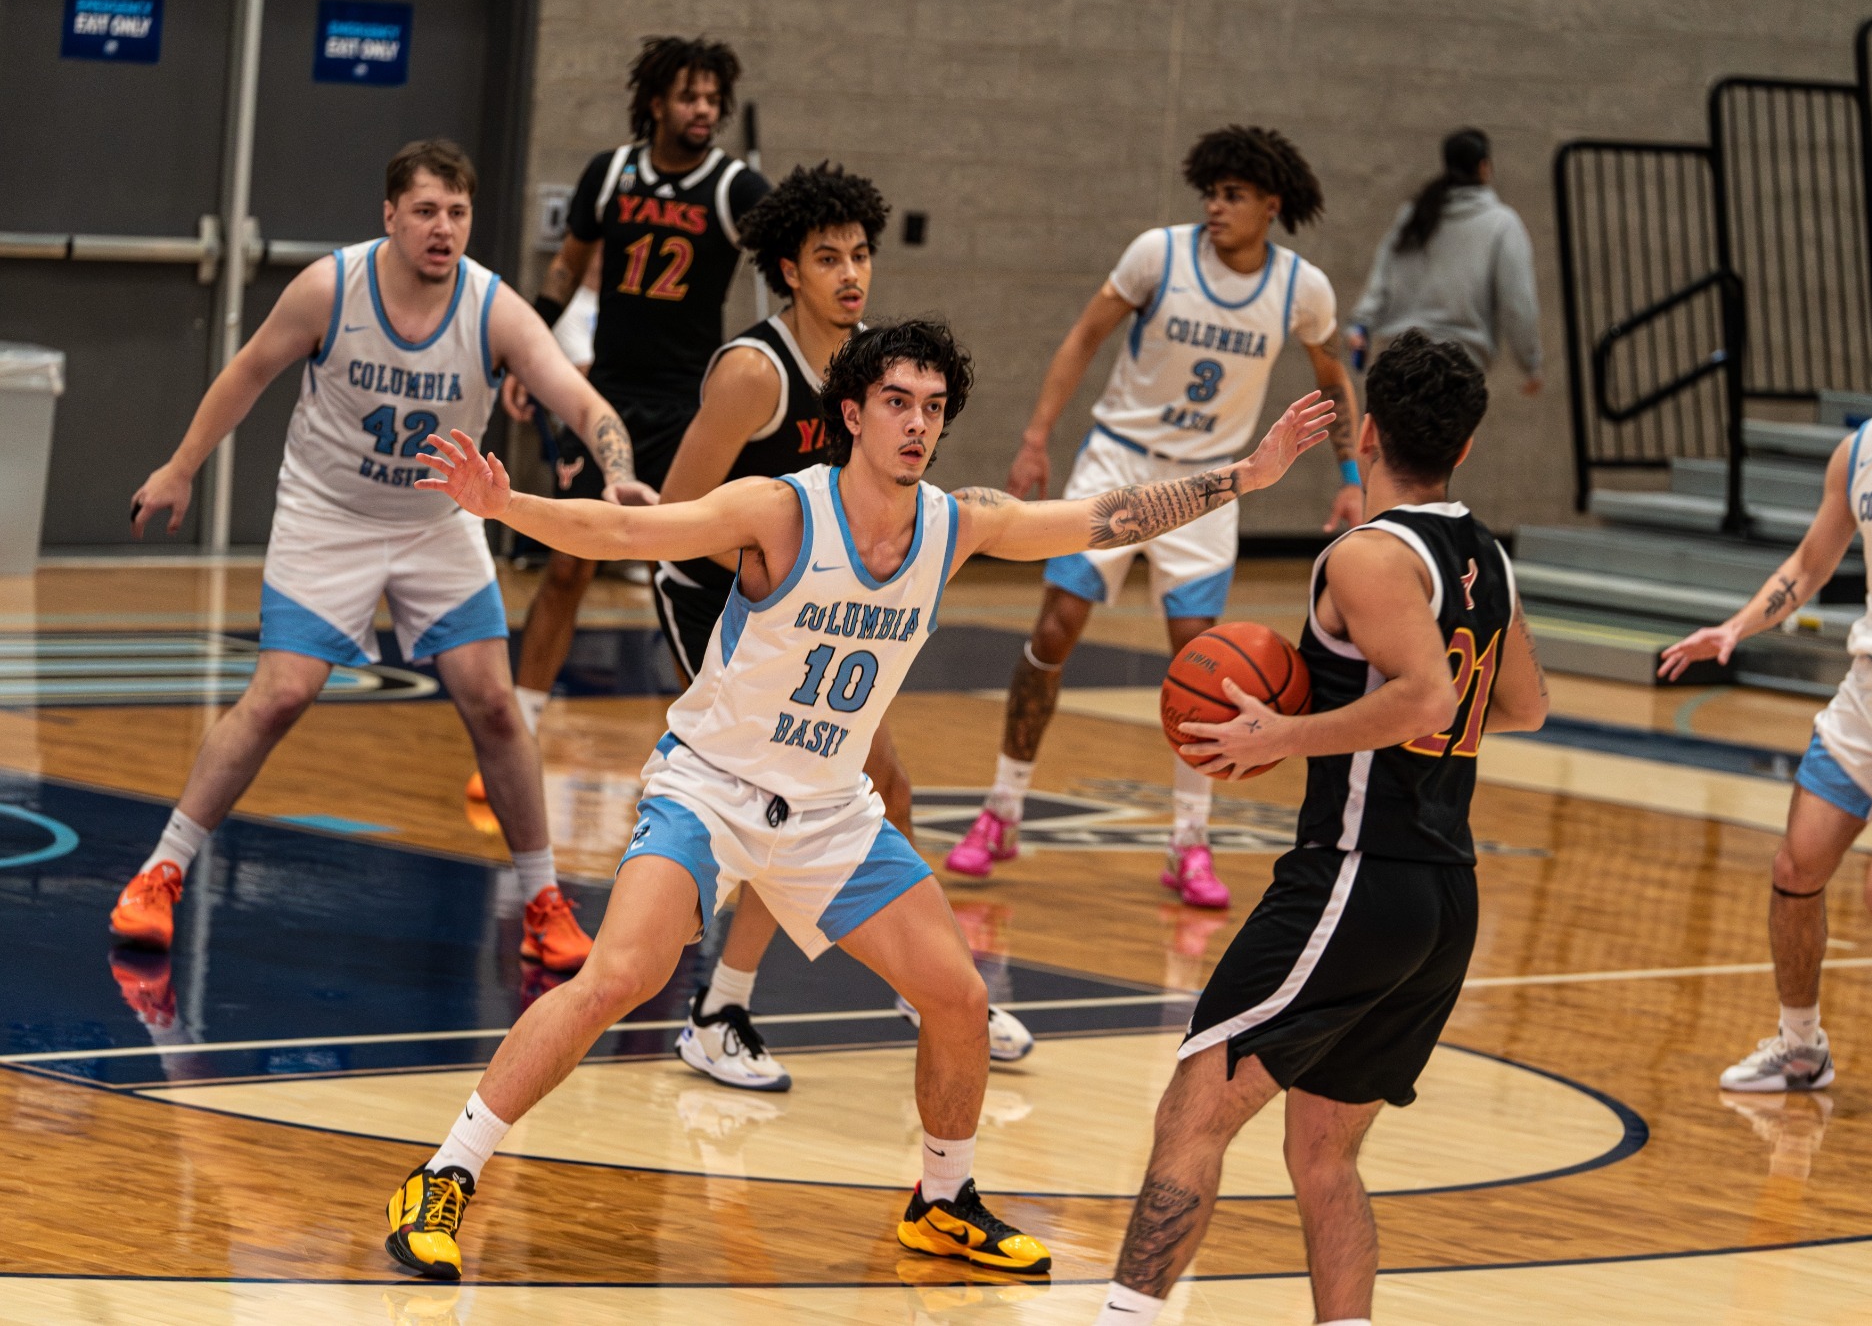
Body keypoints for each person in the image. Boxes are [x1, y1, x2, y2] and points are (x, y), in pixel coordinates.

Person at [382, 319, 1337, 1282]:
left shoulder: (957, 524)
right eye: (897, 402)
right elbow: (631, 530)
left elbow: (1103, 517)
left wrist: (1245, 480)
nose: (917, 424)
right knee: (617, 975)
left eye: (933, 407)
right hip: (710, 791)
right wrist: (506, 507)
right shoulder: (780, 510)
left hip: (830, 811)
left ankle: (942, 1199)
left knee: (958, 997)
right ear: (852, 412)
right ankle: (443, 1173)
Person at [1091, 331, 1548, 1326]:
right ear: (1464, 449)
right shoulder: (1488, 560)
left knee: (1192, 1107)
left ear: (1370, 430)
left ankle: (1123, 1316)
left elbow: (1426, 695)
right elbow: (1518, 704)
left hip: (1352, 875)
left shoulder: (1365, 554)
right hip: (1441, 896)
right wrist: (1401, 715)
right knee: (1321, 1151)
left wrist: (1287, 730)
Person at [115, 140, 640, 971]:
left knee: (495, 706)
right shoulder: (332, 287)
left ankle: (542, 899)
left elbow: (573, 394)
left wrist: (617, 470)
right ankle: (158, 873)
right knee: (282, 693)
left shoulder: (492, 307)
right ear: (389, 215)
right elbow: (249, 372)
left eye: (458, 213)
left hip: (436, 523)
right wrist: (180, 466)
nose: (443, 229)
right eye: (426, 211)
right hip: (331, 516)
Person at [649, 163, 1032, 1093]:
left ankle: (918, 979)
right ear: (790, 270)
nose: (852, 274)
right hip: (727, 593)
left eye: (861, 254)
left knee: (877, 786)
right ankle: (721, 1004)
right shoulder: (756, 371)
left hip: (822, 600)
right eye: (829, 258)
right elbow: (677, 509)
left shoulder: (877, 364)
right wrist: (774, 599)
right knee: (795, 785)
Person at [945, 125, 1361, 909]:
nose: (1215, 206)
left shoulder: (1302, 289)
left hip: (1213, 483)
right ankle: (1001, 810)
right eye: (1210, 191)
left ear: (1271, 205)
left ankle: (1189, 842)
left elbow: (1333, 377)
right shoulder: (1157, 255)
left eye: (1233, 195)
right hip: (1120, 461)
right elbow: (1082, 339)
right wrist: (1035, 437)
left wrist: (1349, 475)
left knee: (1206, 662)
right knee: (1055, 628)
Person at [1662, 254, 1872, 1093]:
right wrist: (1738, 624)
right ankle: (1801, 1044)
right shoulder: (1857, 453)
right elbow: (1812, 563)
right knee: (1795, 866)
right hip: (1870, 688)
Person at [500, 35, 770, 770]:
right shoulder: (612, 172)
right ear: (656, 102)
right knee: (566, 567)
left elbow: (786, 255)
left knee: (682, 574)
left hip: (690, 408)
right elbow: (566, 266)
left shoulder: (735, 186)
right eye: (690, 97)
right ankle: (518, 727)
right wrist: (533, 345)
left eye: (714, 99)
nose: (704, 111)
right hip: (610, 399)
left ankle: (708, 747)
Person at [1345, 128, 1543, 395]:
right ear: (1484, 167)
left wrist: (1361, 324)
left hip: (1397, 361)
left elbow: (1381, 279)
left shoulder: (1414, 215)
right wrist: (1530, 363)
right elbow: (1518, 304)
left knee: (1391, 438)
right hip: (1458, 367)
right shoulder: (1502, 224)